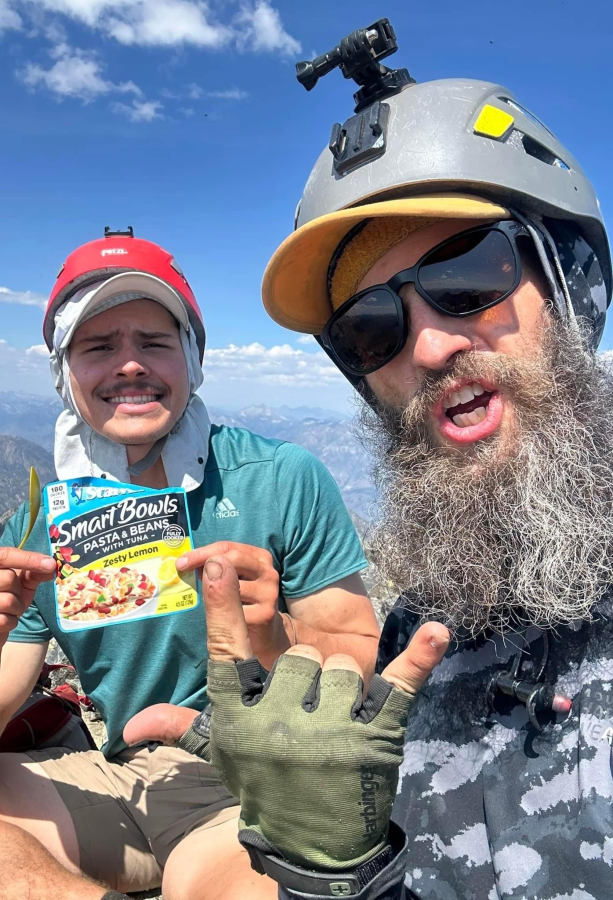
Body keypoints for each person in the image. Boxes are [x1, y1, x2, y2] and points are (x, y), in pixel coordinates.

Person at [128, 23, 613, 900]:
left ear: (571, 284)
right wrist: (321, 856)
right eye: (370, 327)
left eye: (468, 275)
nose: (425, 347)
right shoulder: (435, 610)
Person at [0, 230, 381, 900]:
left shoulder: (281, 478)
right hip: (122, 778)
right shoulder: (41, 524)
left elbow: (362, 657)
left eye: (153, 342)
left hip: (250, 780)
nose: (129, 365)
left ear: (191, 358)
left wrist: (273, 633)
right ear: (65, 373)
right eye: (97, 346)